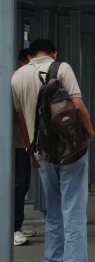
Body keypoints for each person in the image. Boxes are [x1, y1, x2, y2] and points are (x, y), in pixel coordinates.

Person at [12, 39, 94, 262]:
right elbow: (77, 105)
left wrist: (30, 149)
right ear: (53, 53)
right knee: (74, 213)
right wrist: (89, 132)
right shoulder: (62, 68)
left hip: (42, 153)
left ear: (29, 56)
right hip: (70, 152)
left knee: (54, 213)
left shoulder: (17, 77)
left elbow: (20, 119)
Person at [13, 49, 35, 246]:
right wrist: (30, 144)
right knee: (18, 186)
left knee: (23, 185)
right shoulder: (15, 82)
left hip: (22, 144)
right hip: (18, 144)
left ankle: (15, 225)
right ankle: (13, 228)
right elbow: (20, 117)